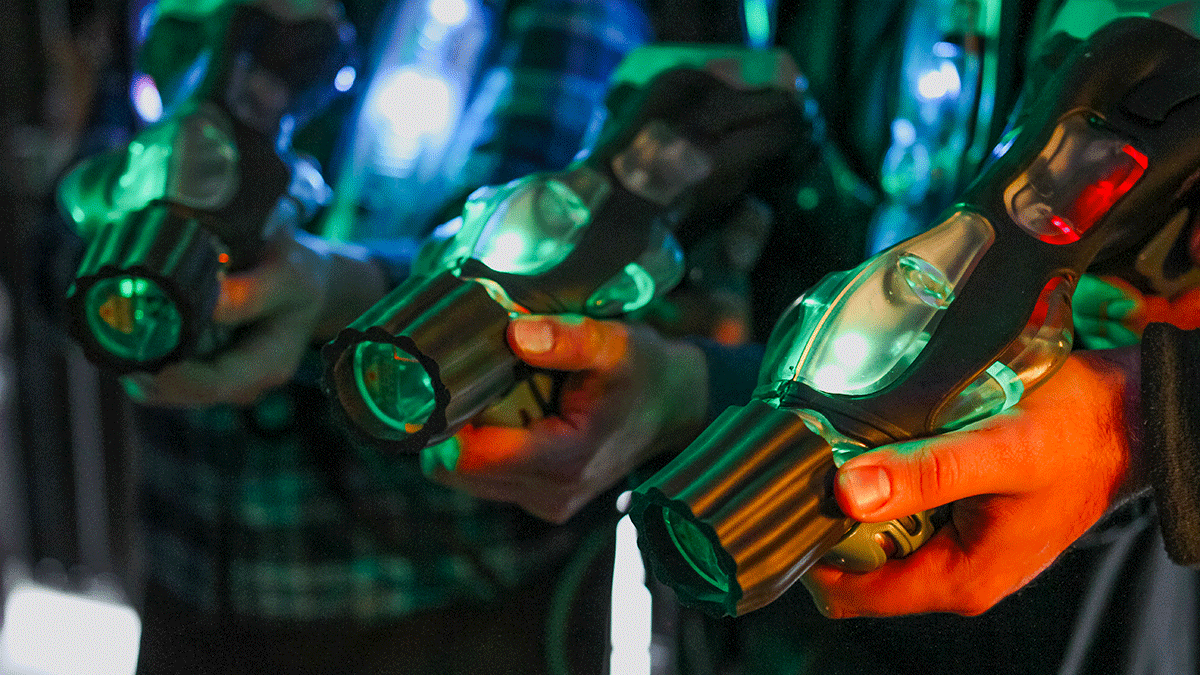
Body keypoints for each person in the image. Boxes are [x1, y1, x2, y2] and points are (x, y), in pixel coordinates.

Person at [425, 2, 1200, 674]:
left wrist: (1133, 424)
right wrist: (687, 388)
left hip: (1090, 618)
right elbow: (848, 312)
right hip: (792, 611)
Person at [57, 0, 655, 673]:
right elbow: (60, 243)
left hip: (448, 600)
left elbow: (545, 276)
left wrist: (331, 290)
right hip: (191, 575)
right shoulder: (178, 20)